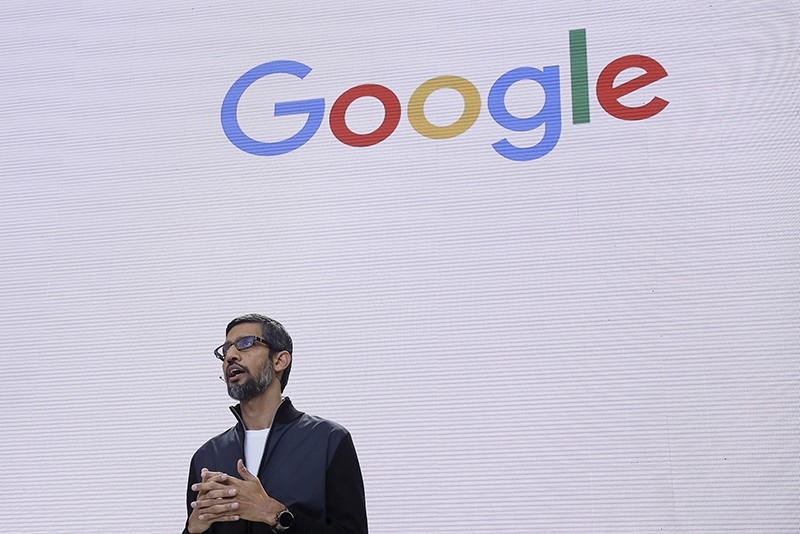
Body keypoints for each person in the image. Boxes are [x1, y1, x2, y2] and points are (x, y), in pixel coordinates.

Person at [183, 314, 368, 534]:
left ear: (279, 360)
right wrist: (192, 529)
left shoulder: (328, 440)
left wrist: (273, 513)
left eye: (245, 343)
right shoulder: (207, 456)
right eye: (225, 350)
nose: (230, 355)